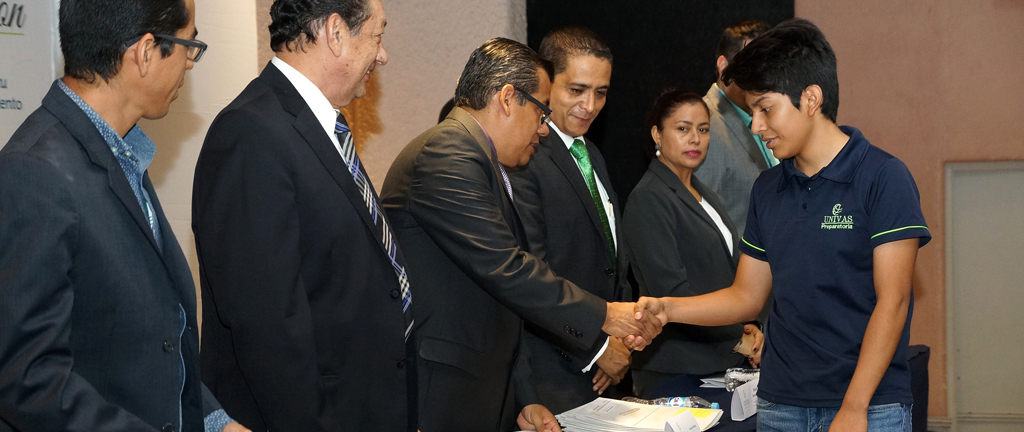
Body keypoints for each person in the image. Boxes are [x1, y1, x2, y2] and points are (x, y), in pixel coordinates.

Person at [635, 19, 931, 432]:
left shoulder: (883, 177)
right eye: (751, 111)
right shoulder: (768, 188)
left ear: (810, 98)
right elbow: (746, 296)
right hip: (781, 405)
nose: (756, 125)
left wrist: (854, 406)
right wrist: (667, 309)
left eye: (765, 108)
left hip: (869, 406)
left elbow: (894, 301)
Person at [380, 37, 661, 432]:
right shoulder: (448, 153)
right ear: (509, 98)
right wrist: (605, 315)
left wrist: (524, 396)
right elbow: (506, 269)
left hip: (480, 384)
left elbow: (500, 299)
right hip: (443, 388)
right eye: (542, 112)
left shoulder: (479, 158)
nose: (544, 130)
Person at [0, 0, 248, 431]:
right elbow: (29, 380)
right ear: (146, 52)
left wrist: (214, 422)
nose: (190, 63)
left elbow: (154, 344)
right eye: (189, 46)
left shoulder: (121, 152)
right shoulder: (34, 173)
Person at [192, 0, 414, 430]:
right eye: (378, 36)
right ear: (336, 32)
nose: (383, 55)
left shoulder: (318, 125)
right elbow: (268, 324)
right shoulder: (249, 132)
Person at [508, 26, 632, 415]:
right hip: (549, 379)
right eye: (576, 90)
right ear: (546, 83)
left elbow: (613, 261)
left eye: (601, 92)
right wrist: (597, 347)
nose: (589, 105)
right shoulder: (526, 156)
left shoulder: (591, 152)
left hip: (602, 373)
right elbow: (531, 277)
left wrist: (621, 339)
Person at [622, 89, 766, 398]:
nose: (695, 139)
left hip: (720, 362)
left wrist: (747, 325)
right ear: (657, 134)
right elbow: (671, 293)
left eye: (703, 129)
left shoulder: (703, 192)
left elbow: (727, 276)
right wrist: (737, 338)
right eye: (683, 128)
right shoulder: (649, 198)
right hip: (675, 367)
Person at [696, 20, 772, 236]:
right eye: (751, 66)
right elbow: (703, 225)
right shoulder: (703, 125)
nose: (762, 77)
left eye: (768, 66)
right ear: (723, 66)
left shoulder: (769, 116)